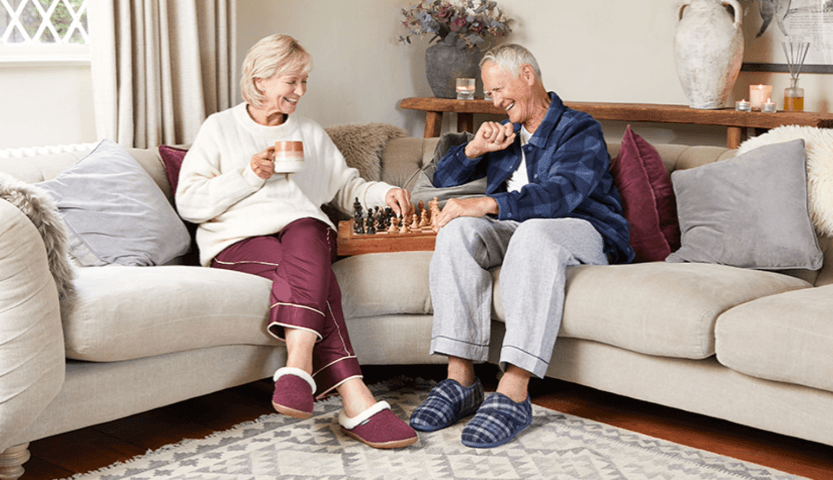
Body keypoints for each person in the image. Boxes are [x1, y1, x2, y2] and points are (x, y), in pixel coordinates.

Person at [175, 34, 417, 449]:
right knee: (319, 279)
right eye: (292, 81)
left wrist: (382, 194)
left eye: (305, 81)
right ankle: (354, 398)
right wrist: (250, 175)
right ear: (261, 79)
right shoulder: (220, 128)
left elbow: (344, 186)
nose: (300, 91)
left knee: (310, 226)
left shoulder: (308, 131)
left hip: (302, 234)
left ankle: (298, 367)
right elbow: (190, 203)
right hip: (238, 241)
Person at [409, 44, 634, 448]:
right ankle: (460, 381)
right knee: (458, 231)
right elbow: (443, 178)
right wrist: (475, 149)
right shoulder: (505, 133)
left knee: (532, 230)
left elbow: (560, 195)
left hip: (581, 229)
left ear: (528, 75)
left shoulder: (578, 128)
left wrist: (489, 202)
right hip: (518, 228)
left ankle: (514, 387)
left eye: (499, 90)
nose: (494, 101)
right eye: (490, 94)